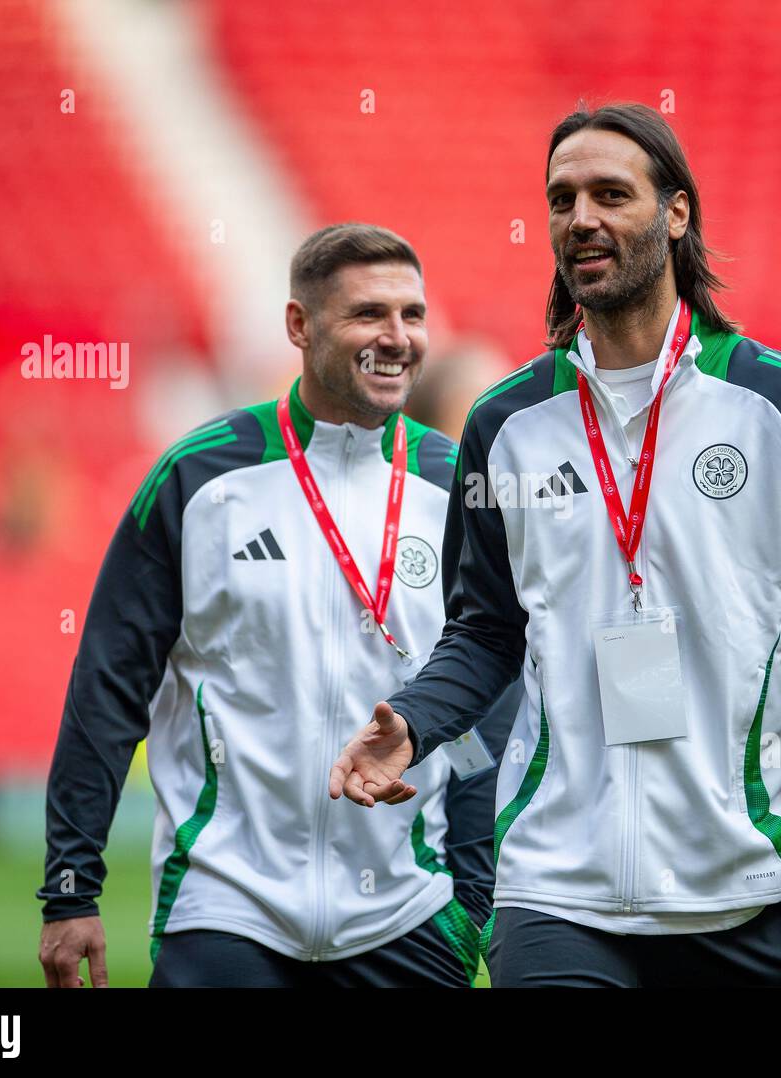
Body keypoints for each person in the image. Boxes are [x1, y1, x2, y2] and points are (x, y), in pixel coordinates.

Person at [329, 103, 781, 988]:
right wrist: (417, 722)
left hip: (748, 896)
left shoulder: (778, 407)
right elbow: (485, 631)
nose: (582, 218)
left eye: (612, 194)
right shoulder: (506, 423)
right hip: (557, 892)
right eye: (562, 199)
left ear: (676, 213)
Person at [37, 223, 517, 988]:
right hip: (226, 915)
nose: (397, 338)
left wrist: (472, 899)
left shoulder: (460, 484)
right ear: (300, 325)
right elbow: (108, 687)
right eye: (368, 314)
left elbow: (489, 704)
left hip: (409, 917)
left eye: (413, 315)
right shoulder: (197, 479)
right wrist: (70, 887)